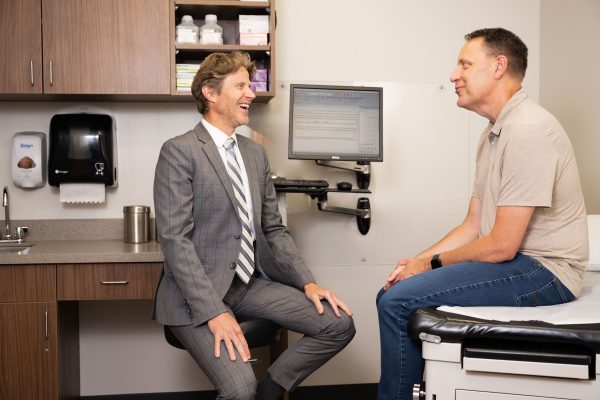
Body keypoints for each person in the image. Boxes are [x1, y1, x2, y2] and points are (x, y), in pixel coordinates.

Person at [376, 28, 588, 400]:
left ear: (498, 67)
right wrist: (418, 260)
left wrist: (428, 266)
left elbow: (502, 245)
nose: (453, 75)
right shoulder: (494, 132)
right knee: (392, 291)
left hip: (548, 271)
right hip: (520, 260)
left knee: (397, 301)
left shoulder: (529, 130)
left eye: (464, 64)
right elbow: (473, 225)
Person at [153, 51, 355, 400]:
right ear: (211, 93)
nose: (251, 94)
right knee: (238, 388)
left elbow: (273, 229)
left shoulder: (254, 153)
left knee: (338, 324)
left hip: (248, 285)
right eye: (241, 86)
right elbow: (175, 240)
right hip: (195, 296)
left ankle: (270, 392)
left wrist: (307, 282)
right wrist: (214, 311)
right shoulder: (180, 151)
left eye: (252, 85)